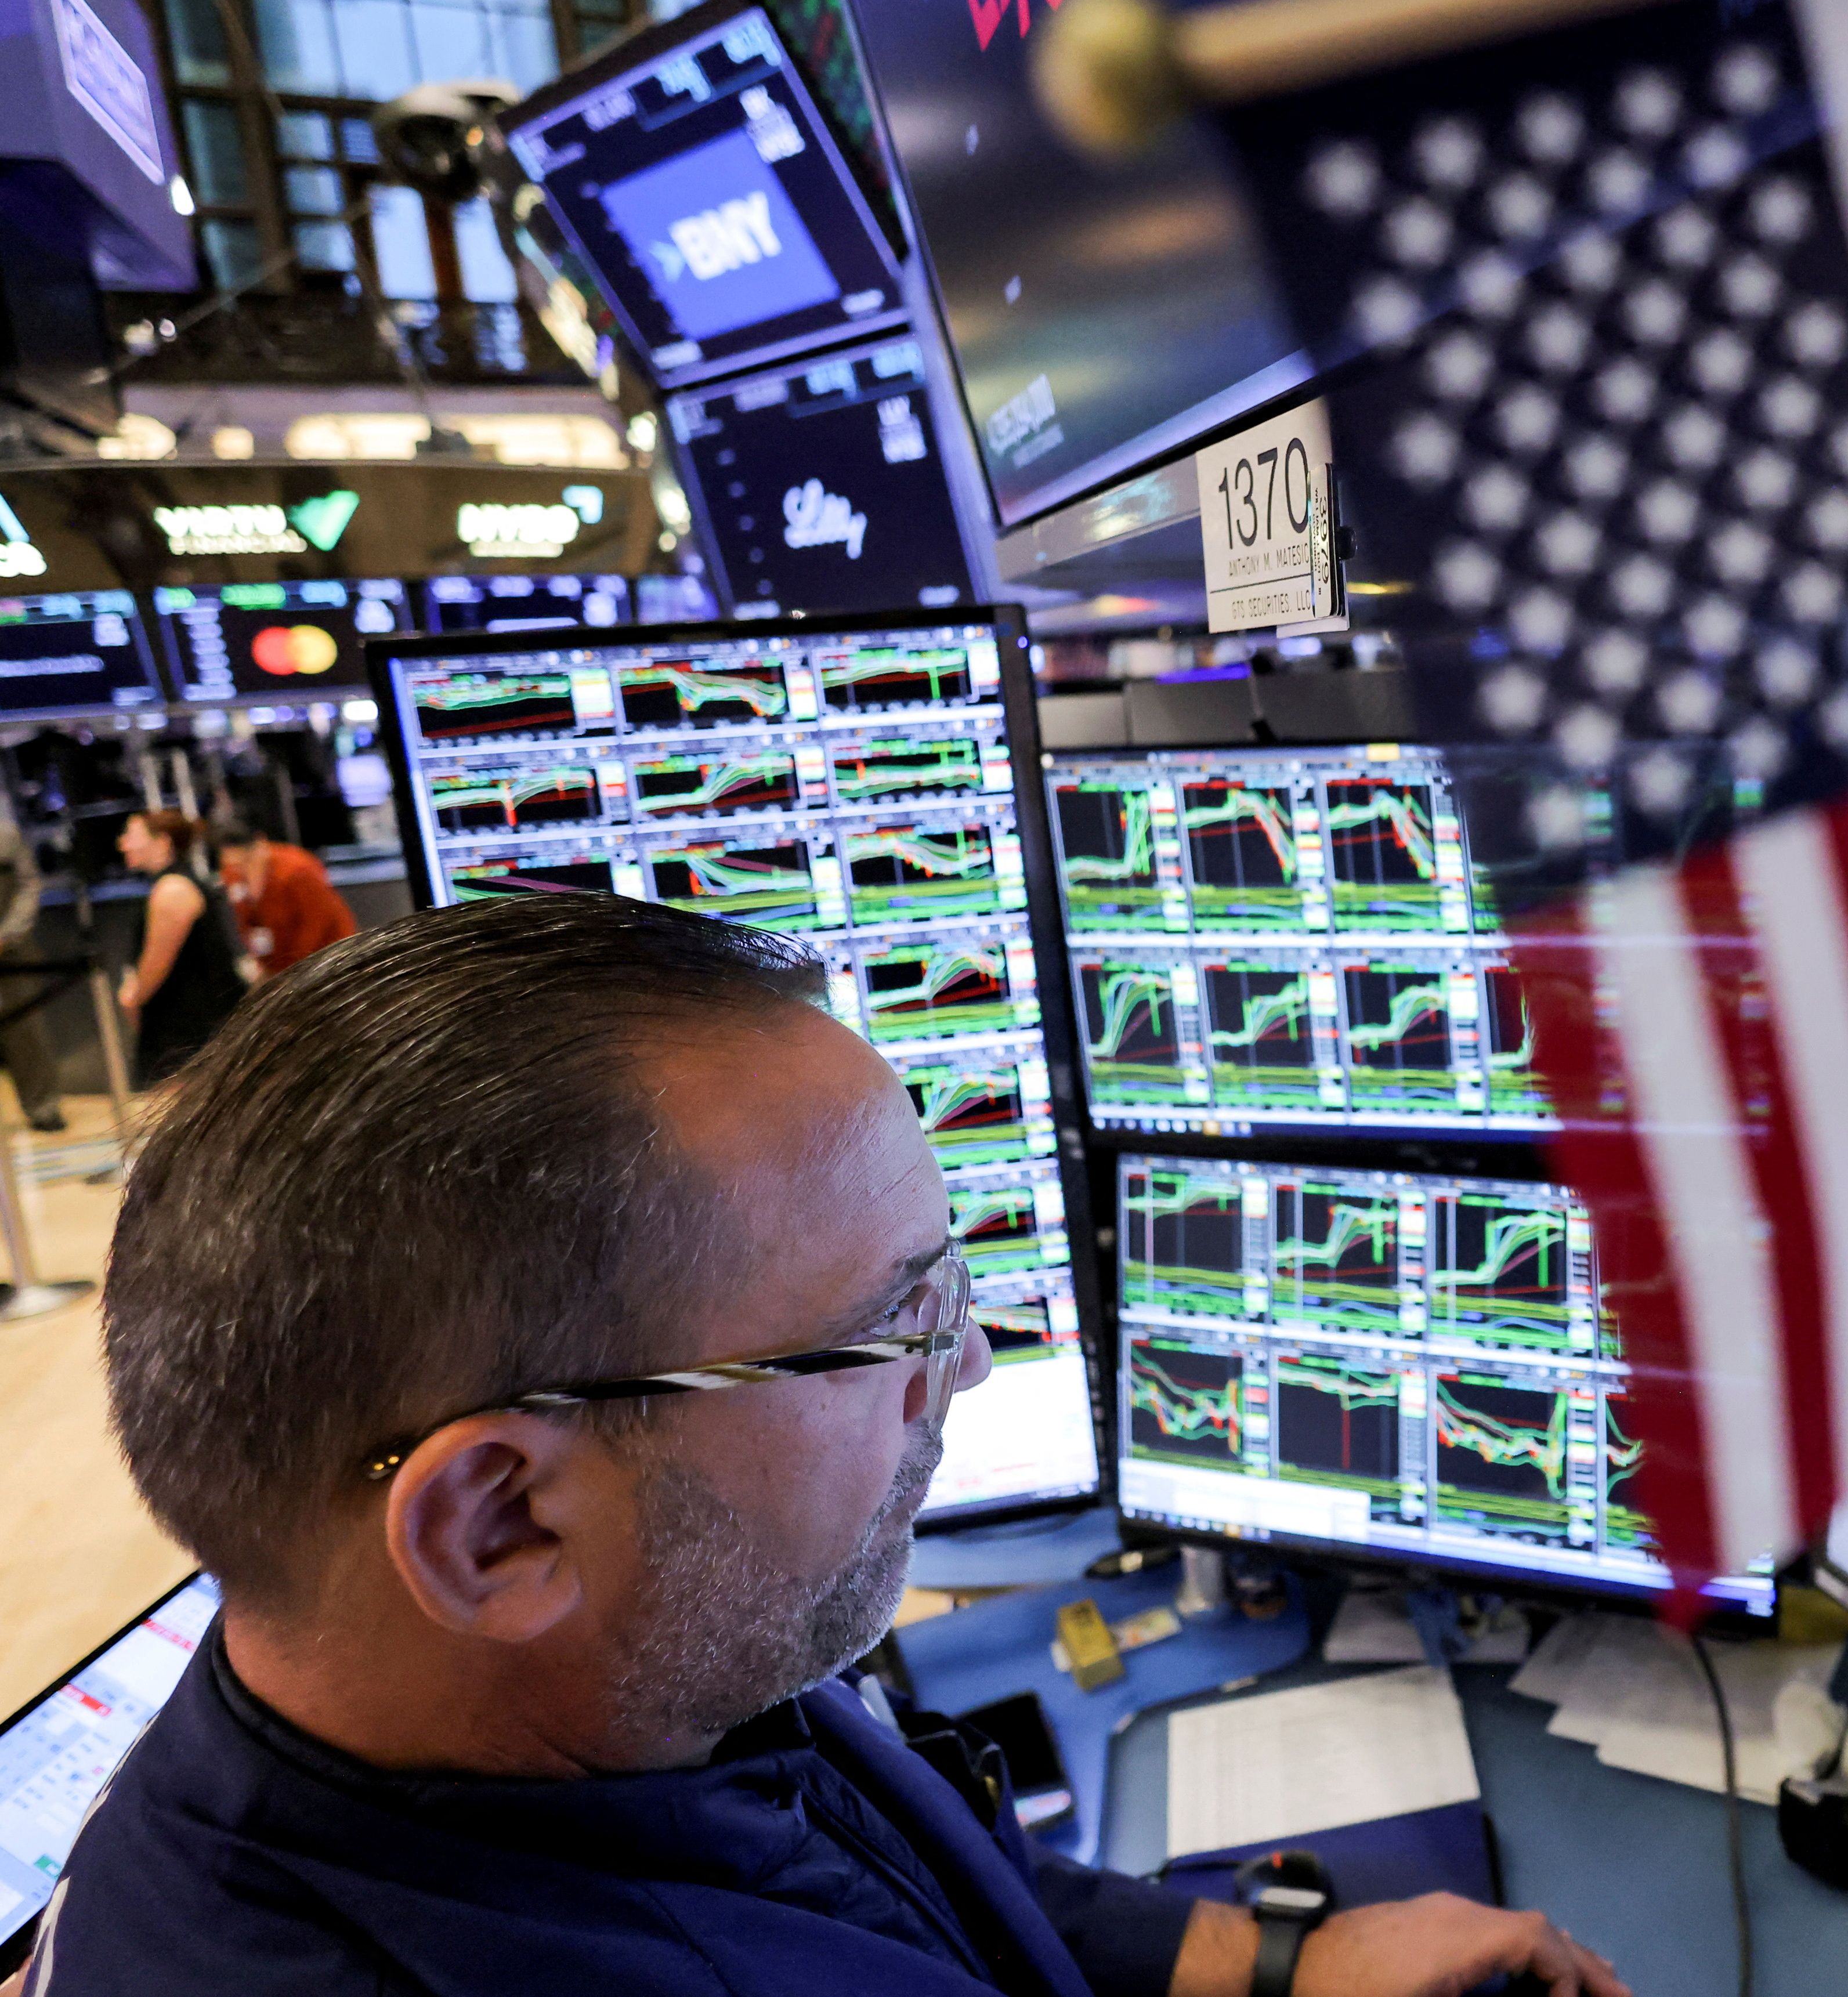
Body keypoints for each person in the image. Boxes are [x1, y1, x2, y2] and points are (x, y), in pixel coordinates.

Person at [34, 895, 1625, 1997]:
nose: (971, 1366)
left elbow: (875, 1866)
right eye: (897, 1330)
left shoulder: (586, 1673)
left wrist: (1275, 1960)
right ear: (496, 1526)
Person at [111, 811, 248, 1088]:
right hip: (191, 1019)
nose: (122, 844)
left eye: (131, 836)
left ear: (162, 843)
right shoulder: (171, 884)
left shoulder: (173, 888)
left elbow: (157, 963)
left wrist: (135, 996)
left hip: (194, 1023)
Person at [211, 817, 360, 976]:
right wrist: (263, 962)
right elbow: (245, 919)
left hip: (325, 957)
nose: (241, 870)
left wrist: (294, 971)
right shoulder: (232, 873)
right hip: (277, 962)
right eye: (235, 865)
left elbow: (317, 923)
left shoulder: (297, 869)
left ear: (261, 844)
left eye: (247, 861)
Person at [0, 811, 64, 1134]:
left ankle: (44, 1107)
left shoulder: (6, 834)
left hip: (12, 953)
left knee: (26, 1032)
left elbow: (29, 885)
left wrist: (8, 933)